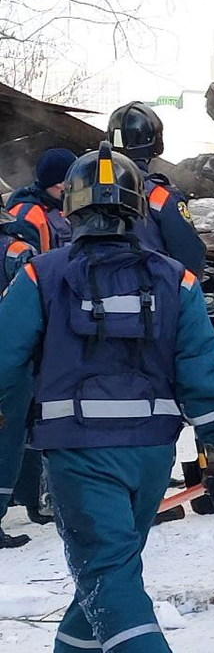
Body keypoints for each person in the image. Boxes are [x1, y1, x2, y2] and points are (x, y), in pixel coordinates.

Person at [0, 142, 214, 653]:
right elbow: (201, 373)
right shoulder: (178, 280)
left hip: (78, 452)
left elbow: (4, 358)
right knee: (111, 566)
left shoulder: (41, 274)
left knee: (105, 569)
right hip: (149, 454)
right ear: (136, 209)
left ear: (72, 210)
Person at [0, 148, 76, 547]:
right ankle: (27, 497)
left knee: (26, 420)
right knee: (14, 424)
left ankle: (29, 495)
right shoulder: (26, 225)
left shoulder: (43, 214)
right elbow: (36, 275)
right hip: (25, 331)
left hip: (25, 328)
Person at [106, 101, 206, 276]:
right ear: (154, 141)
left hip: (92, 294)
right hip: (148, 295)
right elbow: (190, 257)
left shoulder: (86, 188)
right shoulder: (159, 196)